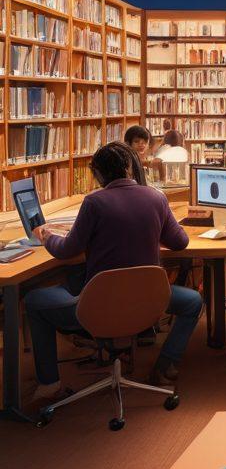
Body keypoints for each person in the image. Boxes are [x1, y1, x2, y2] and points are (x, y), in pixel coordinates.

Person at [25, 142, 203, 401]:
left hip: (101, 306)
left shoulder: (94, 203)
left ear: (98, 174)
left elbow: (66, 250)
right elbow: (181, 243)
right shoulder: (156, 197)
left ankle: (49, 383)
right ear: (129, 167)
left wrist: (45, 235)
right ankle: (164, 366)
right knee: (193, 301)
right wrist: (149, 232)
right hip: (149, 303)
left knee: (33, 301)